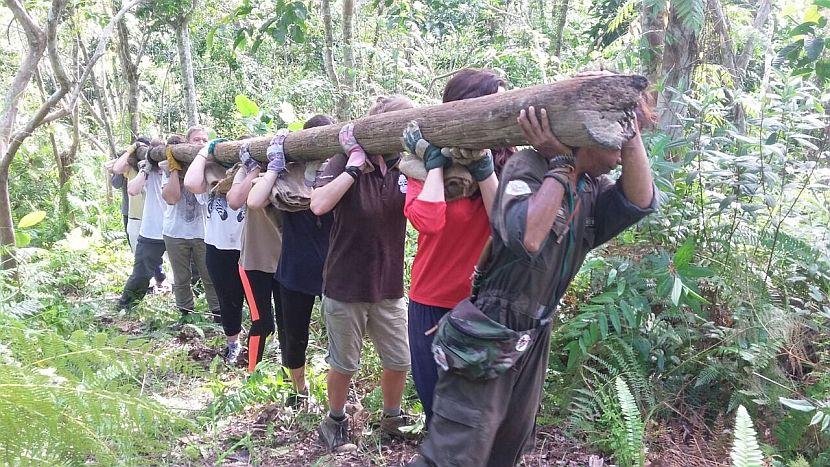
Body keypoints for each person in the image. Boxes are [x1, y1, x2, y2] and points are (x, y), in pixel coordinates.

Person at [410, 90, 658, 466]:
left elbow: (640, 200)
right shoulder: (529, 167)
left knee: (506, 448)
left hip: (534, 332)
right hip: (492, 327)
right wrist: (561, 165)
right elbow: (528, 237)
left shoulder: (590, 188)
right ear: (587, 136)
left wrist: (630, 123)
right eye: (618, 139)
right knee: (455, 452)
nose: (623, 155)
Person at [402, 68, 509, 425]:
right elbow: (429, 222)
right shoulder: (418, 165)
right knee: (438, 410)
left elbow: (505, 227)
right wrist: (434, 165)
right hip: (431, 302)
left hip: (483, 305)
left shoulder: (508, 164)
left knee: (478, 416)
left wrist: (484, 170)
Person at [310, 96, 415, 452]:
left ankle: (392, 418)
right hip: (346, 283)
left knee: (400, 359)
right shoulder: (342, 159)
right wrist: (353, 169)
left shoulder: (405, 165)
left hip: (388, 284)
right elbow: (319, 204)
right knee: (344, 364)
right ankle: (335, 420)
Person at [245, 114, 336, 404]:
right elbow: (255, 201)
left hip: (334, 271)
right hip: (294, 269)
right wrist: (275, 166)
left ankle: (339, 394)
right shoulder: (287, 174)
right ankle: (299, 391)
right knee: (293, 337)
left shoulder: (340, 172)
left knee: (342, 339)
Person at [184, 138, 247, 364]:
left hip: (247, 250)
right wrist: (204, 151)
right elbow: (191, 183)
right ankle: (233, 344)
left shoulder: (249, 178)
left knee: (259, 301)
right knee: (227, 300)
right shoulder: (211, 177)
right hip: (218, 249)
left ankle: (266, 342)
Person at [227, 137, 283, 373]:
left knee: (287, 323)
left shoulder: (298, 169)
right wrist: (255, 169)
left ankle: (288, 372)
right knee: (263, 322)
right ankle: (253, 374)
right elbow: (235, 201)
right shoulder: (247, 171)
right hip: (254, 261)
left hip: (286, 262)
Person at [161, 128, 220, 320]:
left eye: (204, 139)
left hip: (203, 232)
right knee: (181, 277)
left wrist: (197, 167)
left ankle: (218, 313)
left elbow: (203, 199)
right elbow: (172, 198)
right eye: (196, 139)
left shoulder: (209, 168)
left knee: (210, 275)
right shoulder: (169, 167)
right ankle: (185, 312)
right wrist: (174, 169)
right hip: (175, 232)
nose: (200, 142)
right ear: (187, 143)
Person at [117, 138, 168, 309]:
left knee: (195, 273)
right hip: (152, 229)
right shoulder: (147, 170)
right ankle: (126, 306)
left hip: (178, 231)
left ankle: (198, 310)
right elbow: (132, 189)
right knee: (141, 273)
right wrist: (145, 170)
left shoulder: (180, 168)